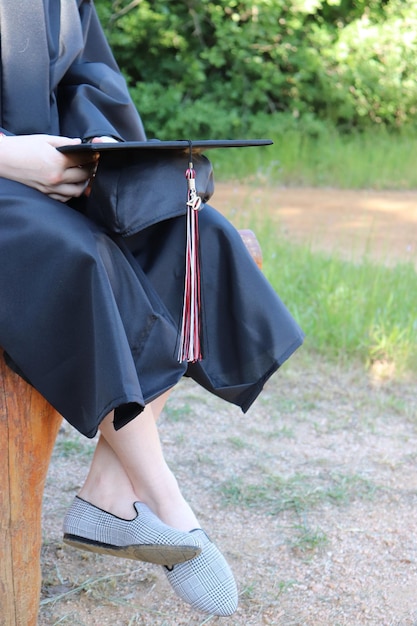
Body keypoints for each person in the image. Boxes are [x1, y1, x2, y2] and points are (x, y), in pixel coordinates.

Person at [0, 0, 304, 617]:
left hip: (51, 171)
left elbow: (87, 72)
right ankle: (166, 502)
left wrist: (99, 148)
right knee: (77, 254)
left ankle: (110, 489)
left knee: (192, 230)